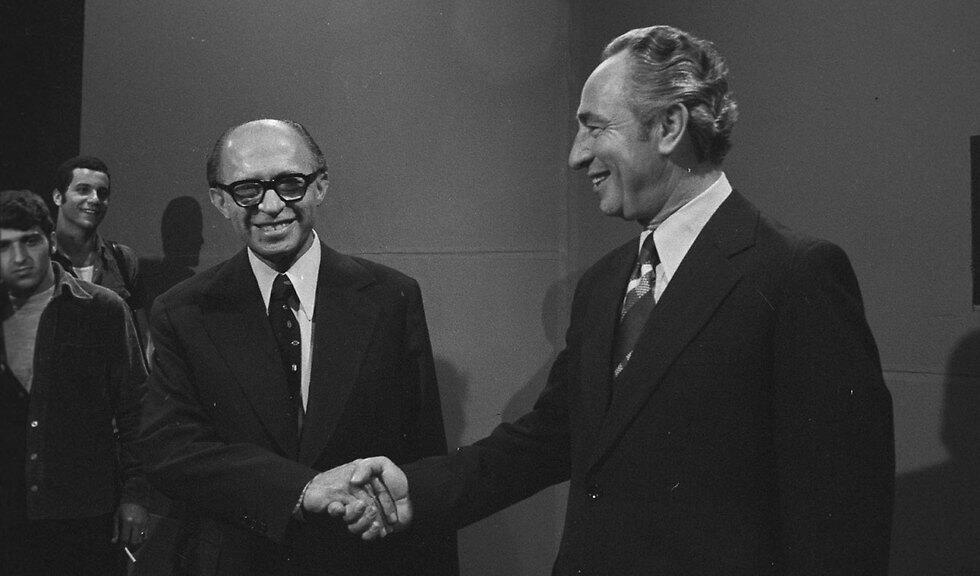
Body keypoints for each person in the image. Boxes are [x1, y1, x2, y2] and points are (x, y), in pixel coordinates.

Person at [341, 25, 895, 575]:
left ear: (669, 127)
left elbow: (841, 522)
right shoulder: (604, 285)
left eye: (594, 128)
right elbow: (548, 439)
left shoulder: (795, 275)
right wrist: (415, 489)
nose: (576, 156)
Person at [137, 119, 458, 575]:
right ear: (220, 199)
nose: (270, 206)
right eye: (248, 190)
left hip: (361, 563)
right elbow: (170, 451)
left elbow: (425, 461)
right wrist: (300, 491)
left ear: (320, 186)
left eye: (290, 184)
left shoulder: (392, 298)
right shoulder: (181, 311)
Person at [0, 189, 150, 575]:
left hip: (84, 516)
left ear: (49, 240)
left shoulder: (101, 309)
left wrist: (135, 496)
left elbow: (138, 409)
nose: (18, 258)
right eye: (3, 247)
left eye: (29, 241)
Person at [50, 155, 149, 347]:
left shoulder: (123, 259)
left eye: (102, 193)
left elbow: (142, 339)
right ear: (57, 196)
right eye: (83, 190)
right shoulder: (40, 257)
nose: (95, 199)